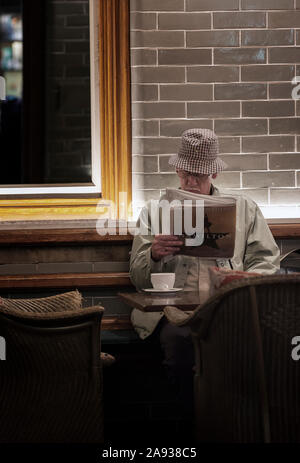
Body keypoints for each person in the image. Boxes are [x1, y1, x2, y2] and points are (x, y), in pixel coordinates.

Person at [129, 128, 280, 419]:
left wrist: (236, 280)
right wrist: (154, 254)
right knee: (181, 345)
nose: (191, 182)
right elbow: (138, 278)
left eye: (199, 175)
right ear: (176, 169)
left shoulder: (245, 209)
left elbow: (266, 263)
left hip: (229, 310)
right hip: (174, 313)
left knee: (244, 350)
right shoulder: (154, 211)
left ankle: (232, 425)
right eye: (185, 174)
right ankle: (192, 428)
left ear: (214, 174)